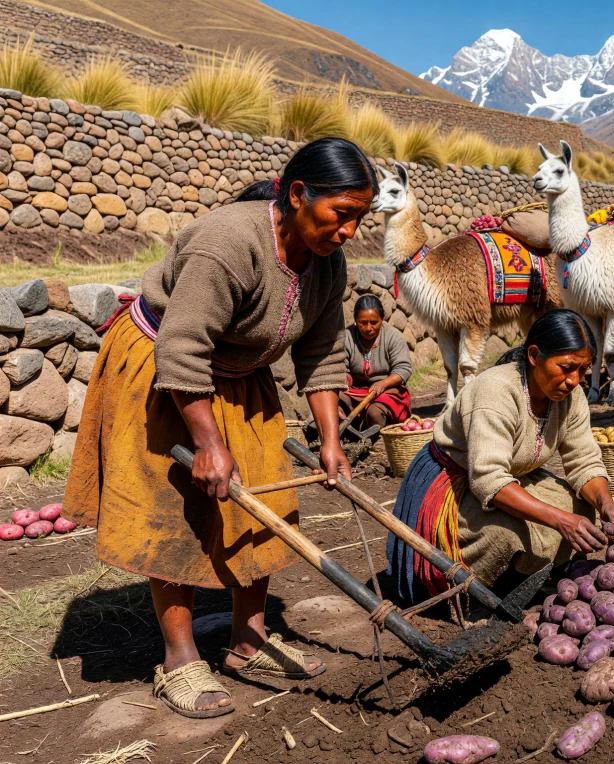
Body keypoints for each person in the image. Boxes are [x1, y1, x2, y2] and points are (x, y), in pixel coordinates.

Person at [64, 137, 379, 718]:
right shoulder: (229, 244)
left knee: (266, 500)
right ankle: (180, 660)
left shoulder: (328, 264)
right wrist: (208, 444)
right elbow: (182, 350)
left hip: (240, 374)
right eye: (343, 214)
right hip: (163, 366)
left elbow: (321, 354)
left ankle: (248, 642)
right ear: (299, 194)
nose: (350, 232)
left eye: (361, 218)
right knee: (176, 508)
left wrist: (331, 442)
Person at [388, 309, 614, 604]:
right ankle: (481, 591)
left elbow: (583, 459)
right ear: (533, 356)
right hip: (457, 482)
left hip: (510, 476)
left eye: (583, 370)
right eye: (566, 367)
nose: (573, 380)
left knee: (582, 507)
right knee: (508, 535)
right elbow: (488, 479)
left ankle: (530, 576)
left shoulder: (572, 397)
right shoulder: (496, 392)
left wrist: (606, 503)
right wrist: (560, 520)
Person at [340, 294, 414, 431]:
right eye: (362, 323)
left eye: (374, 322)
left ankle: (377, 439)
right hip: (356, 391)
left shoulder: (393, 336)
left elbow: (403, 369)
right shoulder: (348, 337)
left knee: (374, 413)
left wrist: (383, 383)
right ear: (356, 320)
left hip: (388, 391)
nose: (368, 328)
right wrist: (345, 381)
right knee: (335, 400)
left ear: (382, 319)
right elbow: (342, 367)